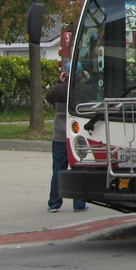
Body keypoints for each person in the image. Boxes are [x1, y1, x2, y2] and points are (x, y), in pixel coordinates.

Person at [46, 71, 87, 213]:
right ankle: (79, 204)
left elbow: (48, 97)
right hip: (76, 135)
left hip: (59, 134)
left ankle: (54, 203)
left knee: (58, 169)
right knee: (78, 169)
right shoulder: (81, 90)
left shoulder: (58, 89)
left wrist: (59, 82)